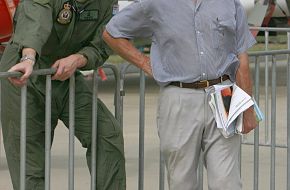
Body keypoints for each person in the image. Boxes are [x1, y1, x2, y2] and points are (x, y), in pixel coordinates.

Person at [102, 0, 258, 189]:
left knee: (227, 182)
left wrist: (248, 107)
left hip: (225, 92)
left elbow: (241, 56)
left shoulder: (229, 3)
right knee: (181, 181)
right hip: (178, 95)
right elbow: (112, 33)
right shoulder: (155, 4)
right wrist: (143, 63)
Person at [0, 0, 126, 189]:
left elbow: (104, 40)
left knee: (106, 133)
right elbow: (35, 17)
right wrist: (28, 57)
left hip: (64, 73)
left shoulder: (107, 3)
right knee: (29, 161)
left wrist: (80, 58)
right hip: (24, 74)